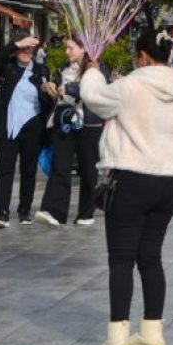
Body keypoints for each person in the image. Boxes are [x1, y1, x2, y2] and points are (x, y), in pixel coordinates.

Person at [79, 29, 173, 345]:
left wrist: (91, 70)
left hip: (131, 178)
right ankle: (152, 334)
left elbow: (96, 99)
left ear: (143, 56)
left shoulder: (131, 85)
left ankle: (117, 336)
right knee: (151, 258)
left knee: (121, 259)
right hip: (168, 182)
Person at [0, 35, 55, 228]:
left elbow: (48, 103)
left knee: (28, 171)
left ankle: (24, 211)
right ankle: (2, 213)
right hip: (7, 128)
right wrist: (16, 44)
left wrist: (49, 93)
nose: (26, 53)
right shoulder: (7, 67)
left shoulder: (42, 71)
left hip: (33, 128)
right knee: (6, 169)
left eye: (30, 49)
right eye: (23, 49)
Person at [35, 36, 107, 227]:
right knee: (60, 166)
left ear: (83, 48)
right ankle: (54, 211)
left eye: (71, 48)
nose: (67, 52)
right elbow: (60, 95)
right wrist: (52, 90)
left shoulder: (96, 69)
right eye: (66, 48)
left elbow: (93, 90)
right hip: (64, 121)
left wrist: (69, 89)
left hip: (88, 124)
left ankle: (86, 212)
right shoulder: (64, 69)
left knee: (88, 169)